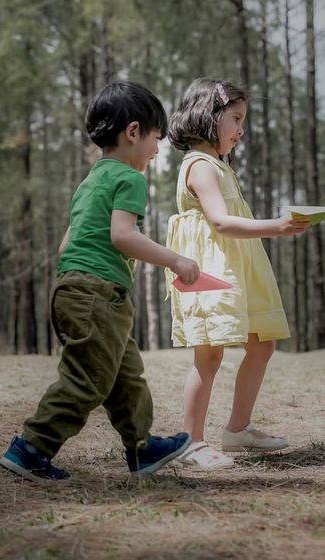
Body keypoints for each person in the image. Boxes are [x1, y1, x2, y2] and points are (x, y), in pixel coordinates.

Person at [0, 80, 200, 483]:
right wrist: (176, 259)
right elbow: (122, 236)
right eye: (155, 140)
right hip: (98, 293)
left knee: (125, 376)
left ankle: (141, 448)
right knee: (89, 379)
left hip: (75, 289)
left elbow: (65, 245)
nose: (157, 151)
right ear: (133, 131)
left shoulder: (90, 181)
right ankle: (31, 448)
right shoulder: (129, 179)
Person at [165, 78, 309, 470]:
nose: (242, 128)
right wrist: (275, 227)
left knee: (261, 344)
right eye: (236, 118)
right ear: (208, 115)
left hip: (240, 267)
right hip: (210, 270)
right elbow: (221, 222)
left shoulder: (219, 166)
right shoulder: (199, 165)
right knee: (209, 355)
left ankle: (237, 429)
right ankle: (192, 442)